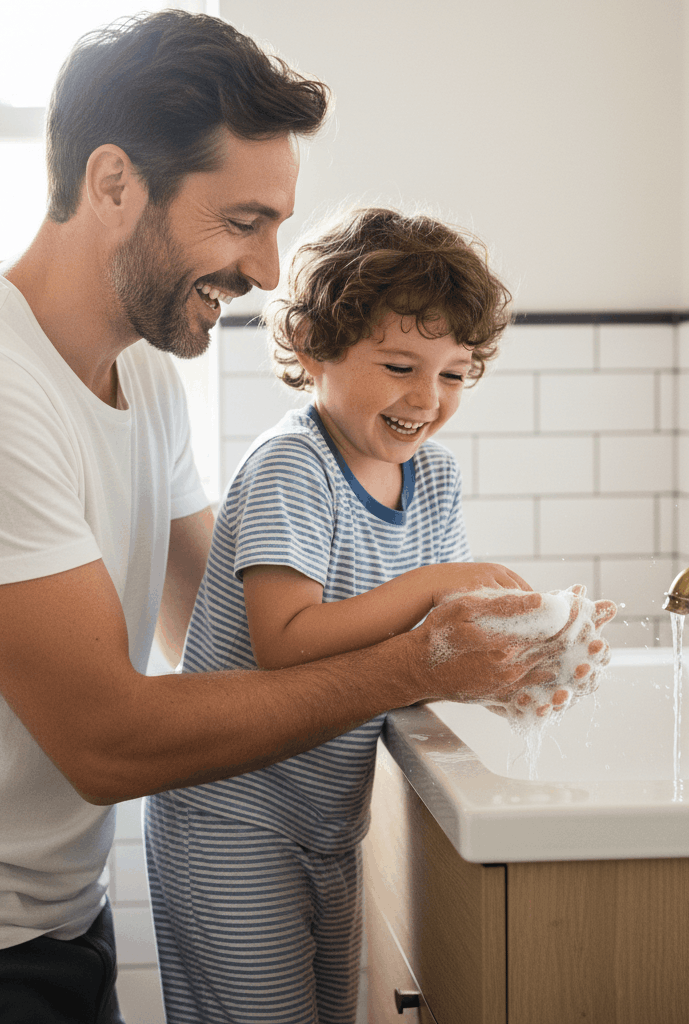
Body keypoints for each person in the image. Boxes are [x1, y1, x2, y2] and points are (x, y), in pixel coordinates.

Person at [0, 10, 608, 1022]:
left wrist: (492, 654)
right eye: (243, 221)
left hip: (53, 908)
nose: (273, 270)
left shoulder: (138, 368)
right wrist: (420, 661)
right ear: (113, 184)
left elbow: (208, 621)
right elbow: (107, 742)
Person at [144, 206, 600, 1024]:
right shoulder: (294, 465)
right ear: (315, 347)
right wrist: (434, 585)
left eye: (455, 374)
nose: (428, 398)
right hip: (230, 817)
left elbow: (437, 640)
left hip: (326, 817)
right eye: (400, 366)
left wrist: (524, 662)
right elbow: (286, 645)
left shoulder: (437, 480)